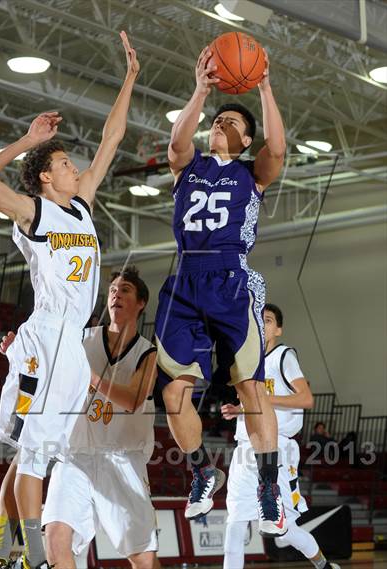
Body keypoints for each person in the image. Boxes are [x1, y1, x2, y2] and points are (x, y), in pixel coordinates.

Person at [0, 31, 139, 569]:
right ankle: (32, 557)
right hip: (46, 337)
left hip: (72, 341)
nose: (75, 167)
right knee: (32, 451)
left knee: (35, 451)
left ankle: (1, 552)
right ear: (46, 175)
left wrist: (130, 78)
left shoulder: (81, 209)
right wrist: (24, 140)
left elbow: (113, 139)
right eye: (65, 163)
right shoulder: (34, 212)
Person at [154, 45, 287, 535]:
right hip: (185, 278)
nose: (219, 123)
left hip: (231, 278)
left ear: (246, 137)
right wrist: (201, 89)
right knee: (172, 393)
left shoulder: (253, 174)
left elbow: (277, 149)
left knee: (250, 387)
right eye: (217, 119)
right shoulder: (188, 167)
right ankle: (201, 472)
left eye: (230, 121)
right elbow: (176, 139)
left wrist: (265, 87)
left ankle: (269, 485)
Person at [0, 267, 160, 569]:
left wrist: (92, 378)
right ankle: (4, 550)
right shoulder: (80, 339)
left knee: (144, 560)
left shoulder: (148, 352)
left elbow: (135, 399)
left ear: (141, 303)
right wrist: (19, 353)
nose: (116, 295)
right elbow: (42, 366)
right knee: (56, 543)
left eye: (125, 290)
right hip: (75, 456)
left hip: (122, 459)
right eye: (112, 290)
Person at [222, 303, 340, 569]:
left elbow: (306, 398)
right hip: (245, 448)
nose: (262, 324)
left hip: (278, 448)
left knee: (284, 529)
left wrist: (263, 398)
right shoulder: (246, 362)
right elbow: (258, 406)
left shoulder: (284, 355)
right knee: (235, 522)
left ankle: (322, 564)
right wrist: (239, 410)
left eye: (268, 320)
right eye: (258, 320)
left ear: (278, 329)